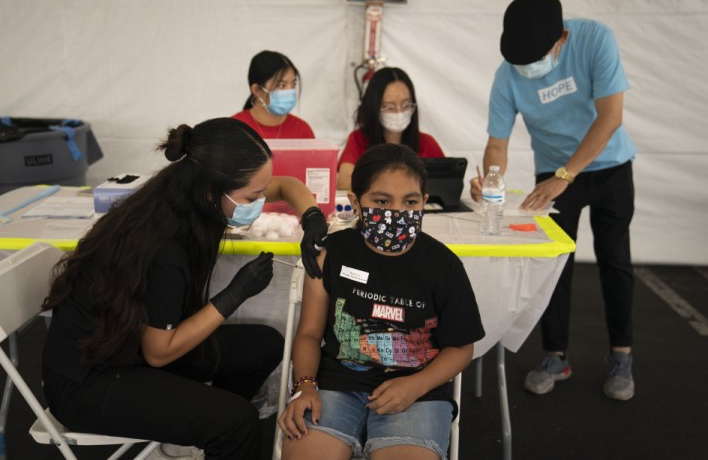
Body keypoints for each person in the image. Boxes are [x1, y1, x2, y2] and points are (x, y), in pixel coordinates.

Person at [41, 118, 329, 460]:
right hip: (90, 380)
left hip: (127, 345)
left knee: (264, 345)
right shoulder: (165, 245)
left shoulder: (183, 192)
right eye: (252, 196)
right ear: (212, 192)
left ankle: (194, 431)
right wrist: (234, 295)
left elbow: (284, 186)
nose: (260, 201)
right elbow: (159, 352)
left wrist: (312, 217)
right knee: (238, 422)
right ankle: (211, 429)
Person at [470, 0, 637, 401]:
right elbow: (498, 142)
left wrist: (568, 174)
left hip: (608, 164)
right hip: (553, 174)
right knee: (555, 262)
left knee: (615, 259)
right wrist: (492, 179)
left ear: (561, 38)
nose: (527, 70)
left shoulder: (595, 39)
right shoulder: (506, 75)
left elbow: (611, 116)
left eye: (535, 59)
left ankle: (621, 354)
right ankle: (555, 354)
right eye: (519, 63)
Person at [280, 143, 485, 460]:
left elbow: (460, 347)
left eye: (410, 201)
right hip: (335, 386)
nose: (397, 212)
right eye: (381, 201)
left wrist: (415, 386)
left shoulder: (444, 266)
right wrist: (304, 386)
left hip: (420, 393)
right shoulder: (330, 253)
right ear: (355, 203)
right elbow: (308, 333)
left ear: (424, 203)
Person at [337, 67, 445, 190]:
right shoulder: (359, 139)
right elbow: (344, 182)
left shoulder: (426, 143)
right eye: (389, 107)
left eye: (406, 105)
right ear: (374, 108)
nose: (399, 112)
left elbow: (448, 183)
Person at [232, 50, 315, 139]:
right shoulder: (234, 129)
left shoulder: (302, 130)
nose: (290, 91)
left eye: (293, 84)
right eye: (281, 85)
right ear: (257, 90)